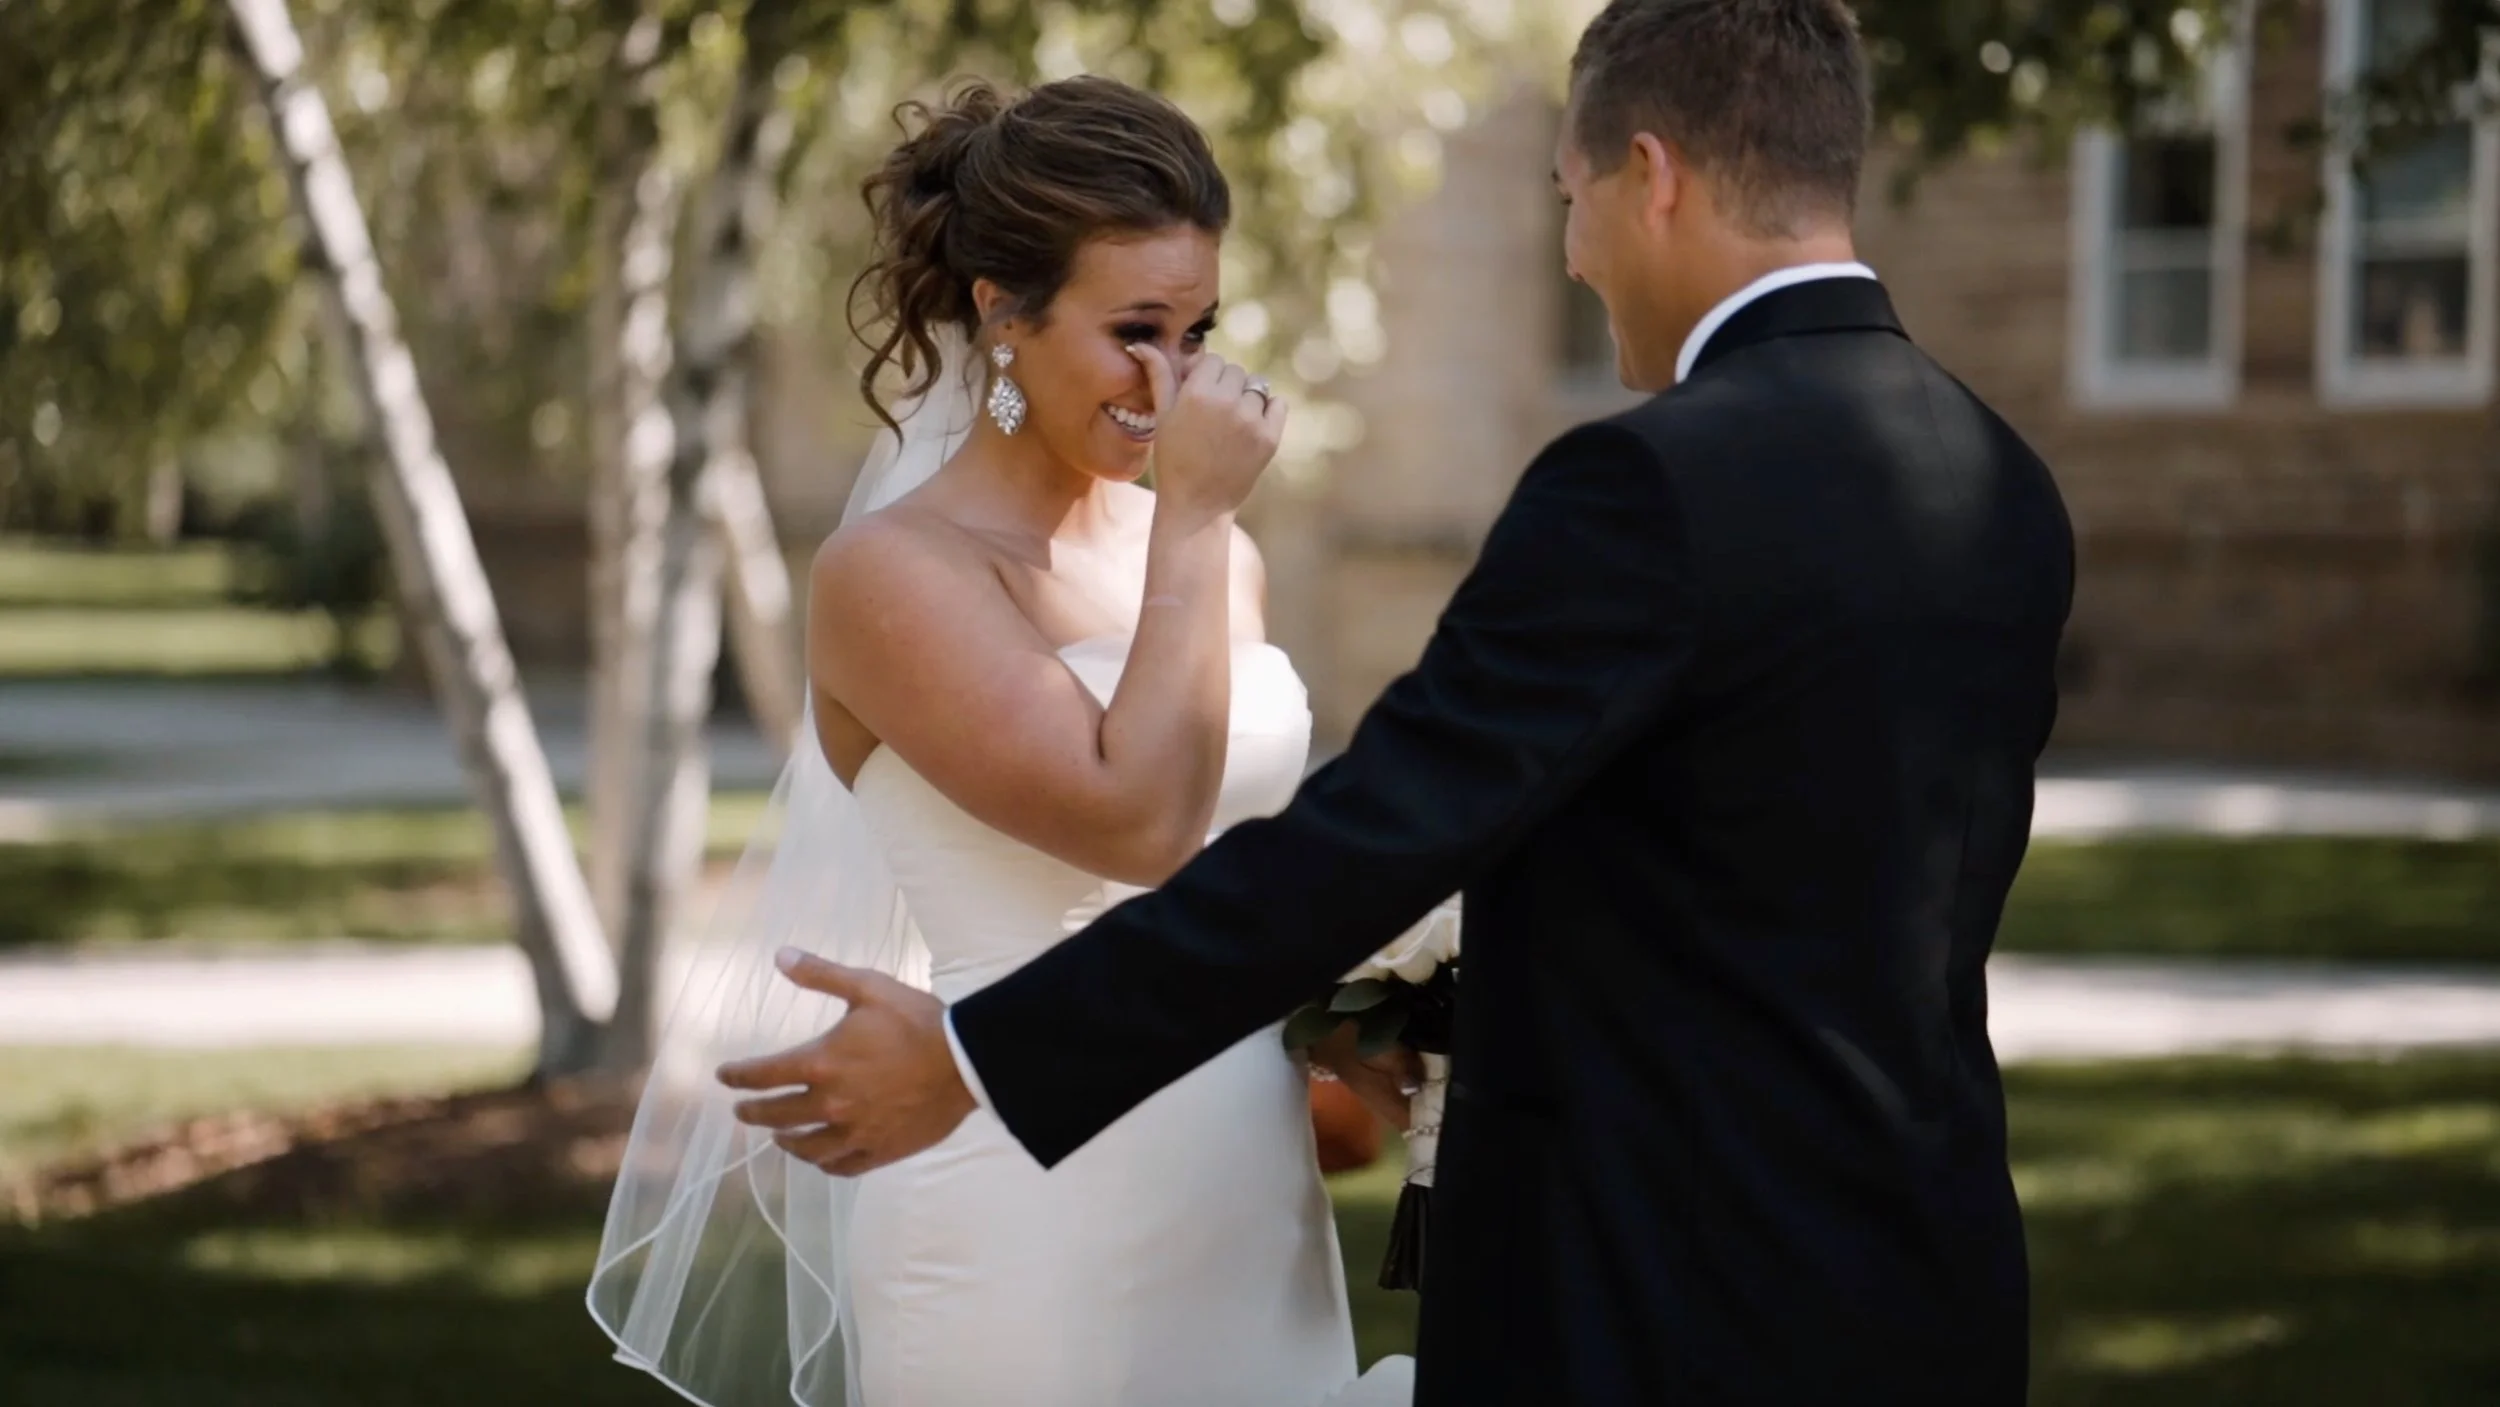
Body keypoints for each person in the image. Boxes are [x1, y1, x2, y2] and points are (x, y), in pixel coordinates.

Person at [724, 2, 2078, 1404]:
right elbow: (1754, 872)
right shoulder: (1999, 485)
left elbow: (1379, 830)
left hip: (1661, 1293)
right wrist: (1389, 1017)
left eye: (1572, 196)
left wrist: (979, 1057)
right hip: (1922, 1275)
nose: (1571, 250)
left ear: (1654, 176)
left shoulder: (1649, 486)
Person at [590, 74, 1412, 1407]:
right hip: (1026, 1207)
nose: (1176, 378)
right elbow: (1139, 824)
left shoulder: (1213, 558)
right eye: (1135, 329)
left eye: (1200, 327)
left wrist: (1366, 1019)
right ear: (1002, 313)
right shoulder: (895, 576)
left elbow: (1246, 880)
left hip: (1248, 1204)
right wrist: (1194, 522)